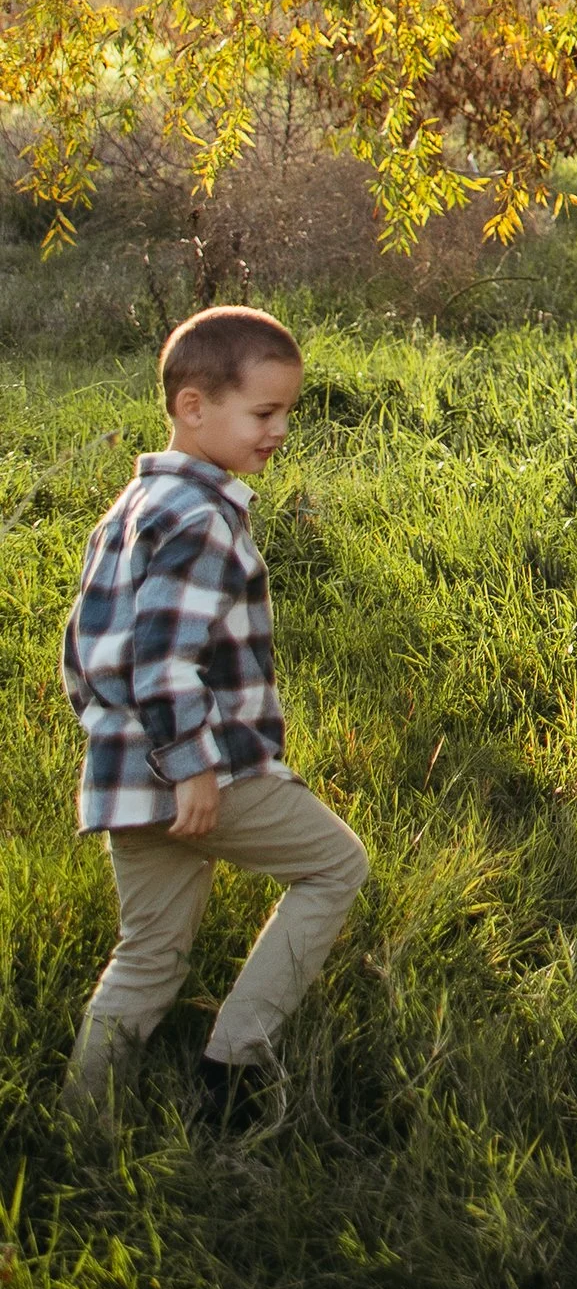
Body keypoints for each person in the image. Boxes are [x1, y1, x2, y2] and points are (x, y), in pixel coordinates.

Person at [59, 304, 370, 1127]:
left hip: (126, 779)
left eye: (286, 414)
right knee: (336, 867)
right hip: (201, 773)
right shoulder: (203, 521)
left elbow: (85, 655)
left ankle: (82, 1127)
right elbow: (161, 658)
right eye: (264, 413)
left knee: (148, 957)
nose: (278, 432)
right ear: (194, 407)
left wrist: (116, 748)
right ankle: (236, 1063)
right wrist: (191, 763)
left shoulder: (129, 508)